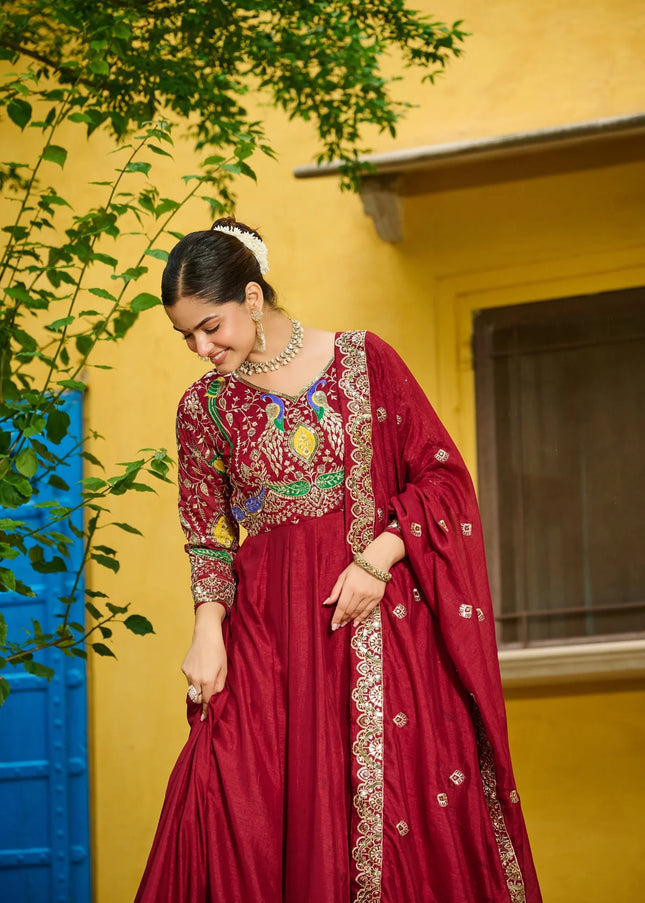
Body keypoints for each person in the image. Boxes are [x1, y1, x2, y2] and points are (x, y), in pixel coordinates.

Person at [135, 218, 542, 903]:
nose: (202, 348)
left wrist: (378, 558)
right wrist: (207, 633)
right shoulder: (201, 408)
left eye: (211, 326)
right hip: (265, 642)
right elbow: (208, 537)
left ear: (254, 298)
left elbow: (442, 479)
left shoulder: (363, 360)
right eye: (187, 337)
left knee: (388, 811)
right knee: (225, 794)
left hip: (376, 634)